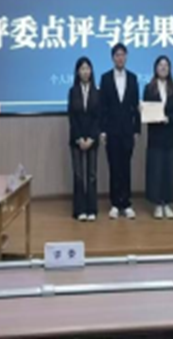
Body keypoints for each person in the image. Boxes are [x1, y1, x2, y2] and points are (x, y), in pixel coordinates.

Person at [99, 43, 140, 220]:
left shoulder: (133, 78)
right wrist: (102, 130)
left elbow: (136, 106)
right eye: (117, 55)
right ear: (112, 58)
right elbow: (102, 107)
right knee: (114, 167)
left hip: (128, 131)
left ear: (126, 57)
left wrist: (137, 129)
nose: (120, 58)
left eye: (123, 54)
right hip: (112, 131)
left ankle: (127, 203)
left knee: (126, 167)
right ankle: (115, 204)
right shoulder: (105, 78)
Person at [143, 56, 173, 220]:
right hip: (156, 135)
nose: (163, 68)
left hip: (171, 134)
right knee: (156, 169)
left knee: (170, 169)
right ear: (155, 68)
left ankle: (167, 203)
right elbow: (146, 110)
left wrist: (169, 118)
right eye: (160, 65)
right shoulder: (149, 88)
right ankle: (157, 204)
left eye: (166, 65)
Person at [67, 57, 100, 222]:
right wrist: (80, 138)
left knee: (92, 175)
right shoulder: (73, 91)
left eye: (88, 68)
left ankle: (91, 208)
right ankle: (79, 209)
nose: (85, 72)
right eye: (82, 69)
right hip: (76, 138)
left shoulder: (97, 91)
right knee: (79, 175)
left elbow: (98, 117)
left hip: (93, 139)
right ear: (77, 72)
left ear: (91, 71)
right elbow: (72, 117)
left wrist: (92, 138)